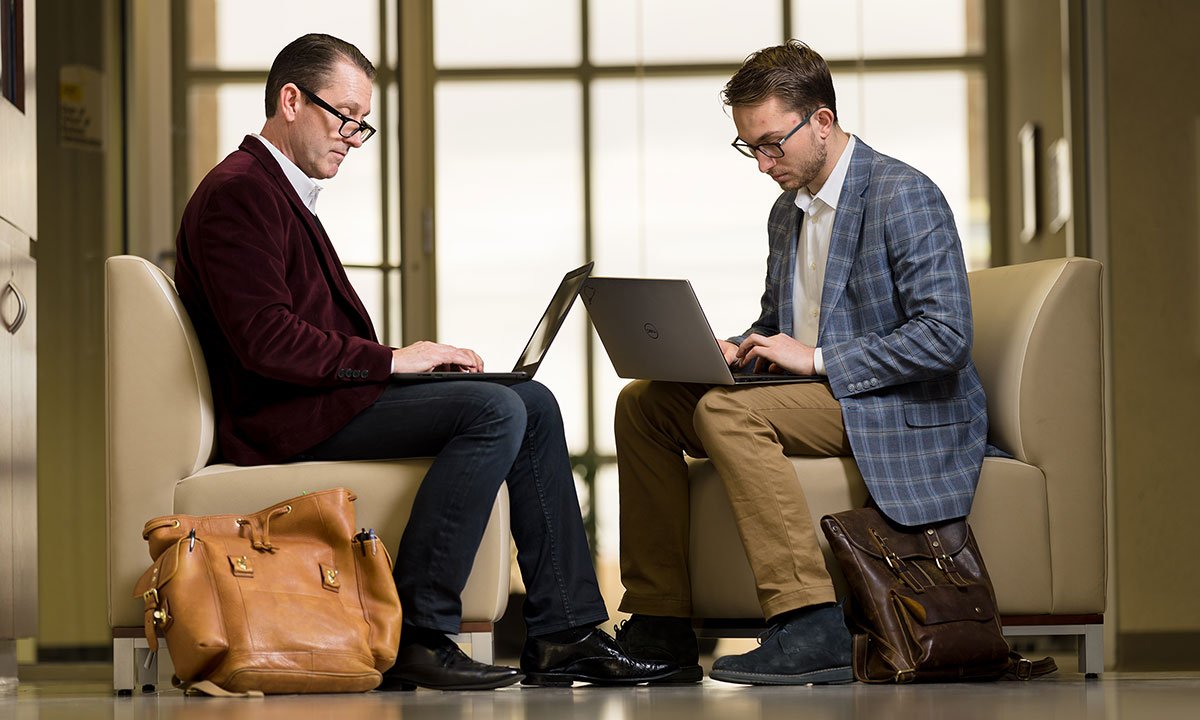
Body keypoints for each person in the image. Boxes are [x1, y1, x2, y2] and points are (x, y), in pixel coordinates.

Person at [174, 33, 675, 691]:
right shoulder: (241, 192)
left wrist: (406, 364)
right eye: (343, 116)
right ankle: (419, 632)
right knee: (494, 410)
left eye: (363, 123)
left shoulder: (276, 190)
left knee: (532, 401)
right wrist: (393, 360)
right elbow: (267, 342)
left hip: (313, 401)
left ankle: (563, 633)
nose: (354, 136)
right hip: (279, 418)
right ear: (291, 100)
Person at [613, 40, 989, 686]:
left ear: (821, 120)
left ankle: (809, 620)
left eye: (771, 143)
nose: (762, 164)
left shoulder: (903, 194)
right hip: (819, 390)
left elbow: (946, 337)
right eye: (749, 148)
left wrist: (815, 357)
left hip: (898, 404)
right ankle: (661, 622)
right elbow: (777, 325)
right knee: (644, 404)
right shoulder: (787, 214)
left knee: (726, 413)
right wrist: (734, 347)